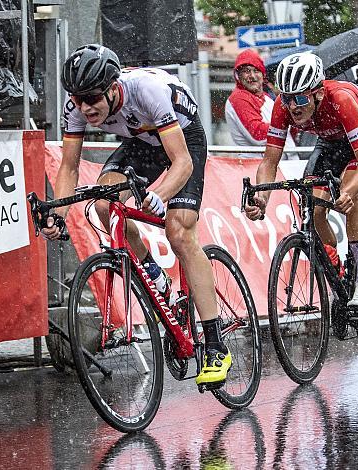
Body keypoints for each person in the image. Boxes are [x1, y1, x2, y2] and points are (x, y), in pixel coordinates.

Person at [43, 44, 230, 387]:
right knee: (104, 204)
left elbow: (182, 163)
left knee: (179, 232)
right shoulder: (77, 107)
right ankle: (155, 275)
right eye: (78, 99)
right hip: (141, 142)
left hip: (181, 139)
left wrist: (159, 195)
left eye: (93, 98)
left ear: (114, 88)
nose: (86, 108)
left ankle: (216, 344)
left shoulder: (148, 91)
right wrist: (57, 213)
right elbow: (68, 167)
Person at [244, 52, 358, 309]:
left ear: (318, 93)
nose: (293, 106)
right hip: (330, 143)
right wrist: (262, 197)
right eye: (288, 98)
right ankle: (336, 273)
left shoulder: (341, 99)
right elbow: (269, 161)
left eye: (300, 98)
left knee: (352, 194)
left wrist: (348, 191)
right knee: (312, 205)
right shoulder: (283, 106)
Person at [225, 49, 296, 155]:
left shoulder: (267, 98)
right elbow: (258, 135)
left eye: (256, 71)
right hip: (256, 167)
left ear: (263, 75)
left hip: (281, 165)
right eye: (246, 71)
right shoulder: (238, 98)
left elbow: (289, 130)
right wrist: (288, 119)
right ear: (238, 76)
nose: (252, 76)